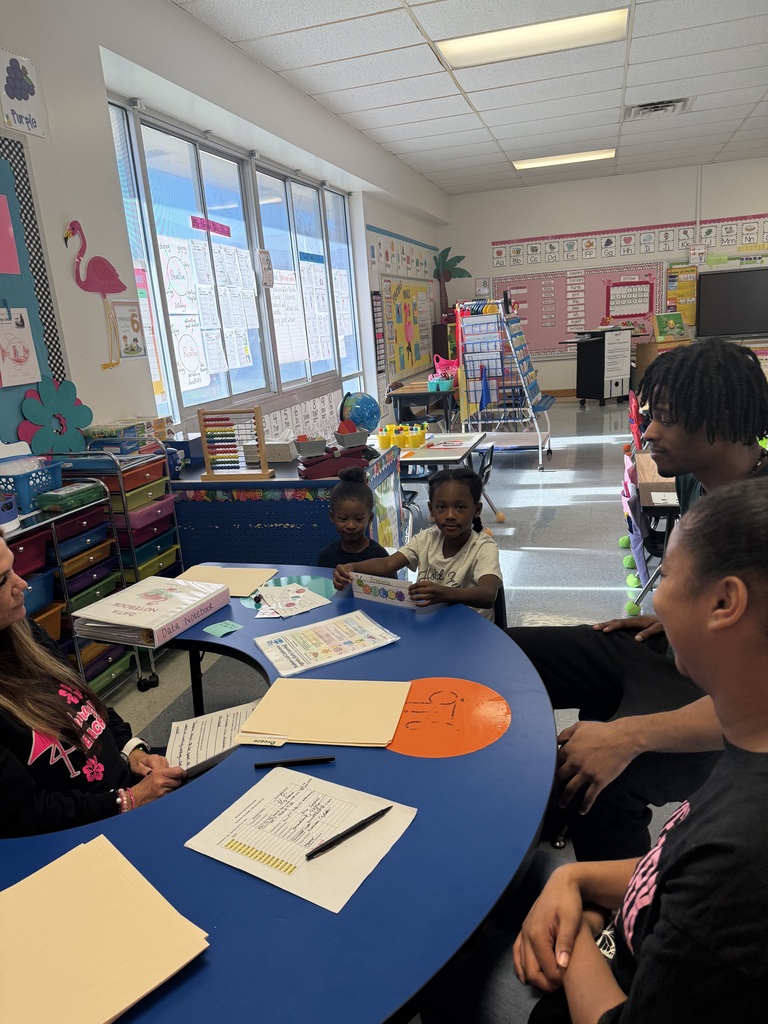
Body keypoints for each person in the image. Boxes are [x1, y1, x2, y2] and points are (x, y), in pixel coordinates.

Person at [422, 478, 768, 1023]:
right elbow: (665, 866)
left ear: (724, 603)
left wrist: (578, 937)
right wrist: (575, 879)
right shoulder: (744, 773)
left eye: (668, 576)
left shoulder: (737, 850)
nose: (654, 595)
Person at [507, 338, 768, 860]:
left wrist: (629, 737)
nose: (648, 433)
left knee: (602, 774)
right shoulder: (697, 483)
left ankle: (612, 917)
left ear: (716, 418)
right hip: (670, 659)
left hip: (719, 718)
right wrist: (672, 619)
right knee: (515, 653)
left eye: (666, 419)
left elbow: (756, 708)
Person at [0, 531, 185, 837]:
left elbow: (85, 704)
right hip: (78, 831)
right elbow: (23, 814)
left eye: (14, 568)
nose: (23, 584)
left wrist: (133, 751)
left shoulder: (23, 631)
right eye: (3, 580)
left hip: (120, 791)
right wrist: (130, 800)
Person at [333, 467, 502, 621]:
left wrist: (444, 593)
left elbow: (487, 595)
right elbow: (388, 564)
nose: (450, 515)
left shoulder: (483, 547)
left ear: (477, 510)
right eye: (441, 507)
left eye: (460, 507)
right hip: (433, 624)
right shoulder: (426, 538)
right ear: (431, 509)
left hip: (471, 630)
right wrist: (352, 567)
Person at [317, 466, 389, 569]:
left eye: (359, 519)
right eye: (343, 518)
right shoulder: (326, 557)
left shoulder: (380, 557)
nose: (351, 525)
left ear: (370, 518)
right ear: (332, 517)